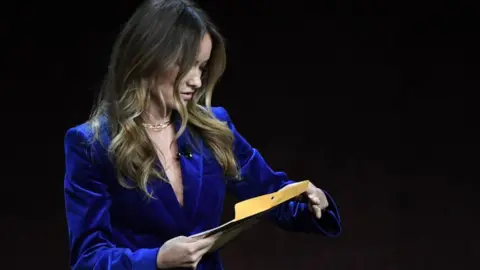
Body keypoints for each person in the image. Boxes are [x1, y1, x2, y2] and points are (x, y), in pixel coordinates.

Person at [63, 0, 342, 269]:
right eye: (187, 65)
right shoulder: (91, 144)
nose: (197, 81)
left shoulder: (213, 128)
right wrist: (157, 260)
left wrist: (313, 201)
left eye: (202, 67)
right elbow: (89, 259)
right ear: (149, 56)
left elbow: (272, 194)